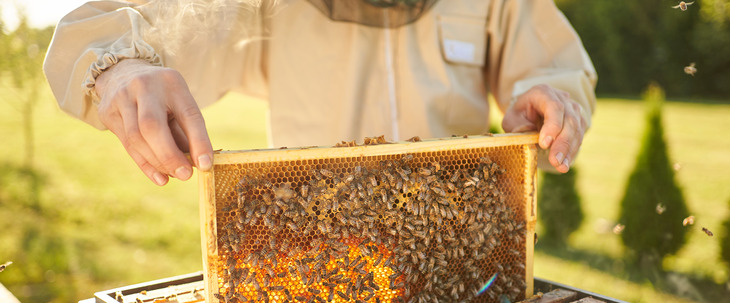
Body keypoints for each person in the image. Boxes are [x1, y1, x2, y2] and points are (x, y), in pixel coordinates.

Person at [43, 0, 596, 186]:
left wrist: (548, 100)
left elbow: (557, 67)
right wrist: (117, 69)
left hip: (460, 259)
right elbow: (108, 23)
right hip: (320, 258)